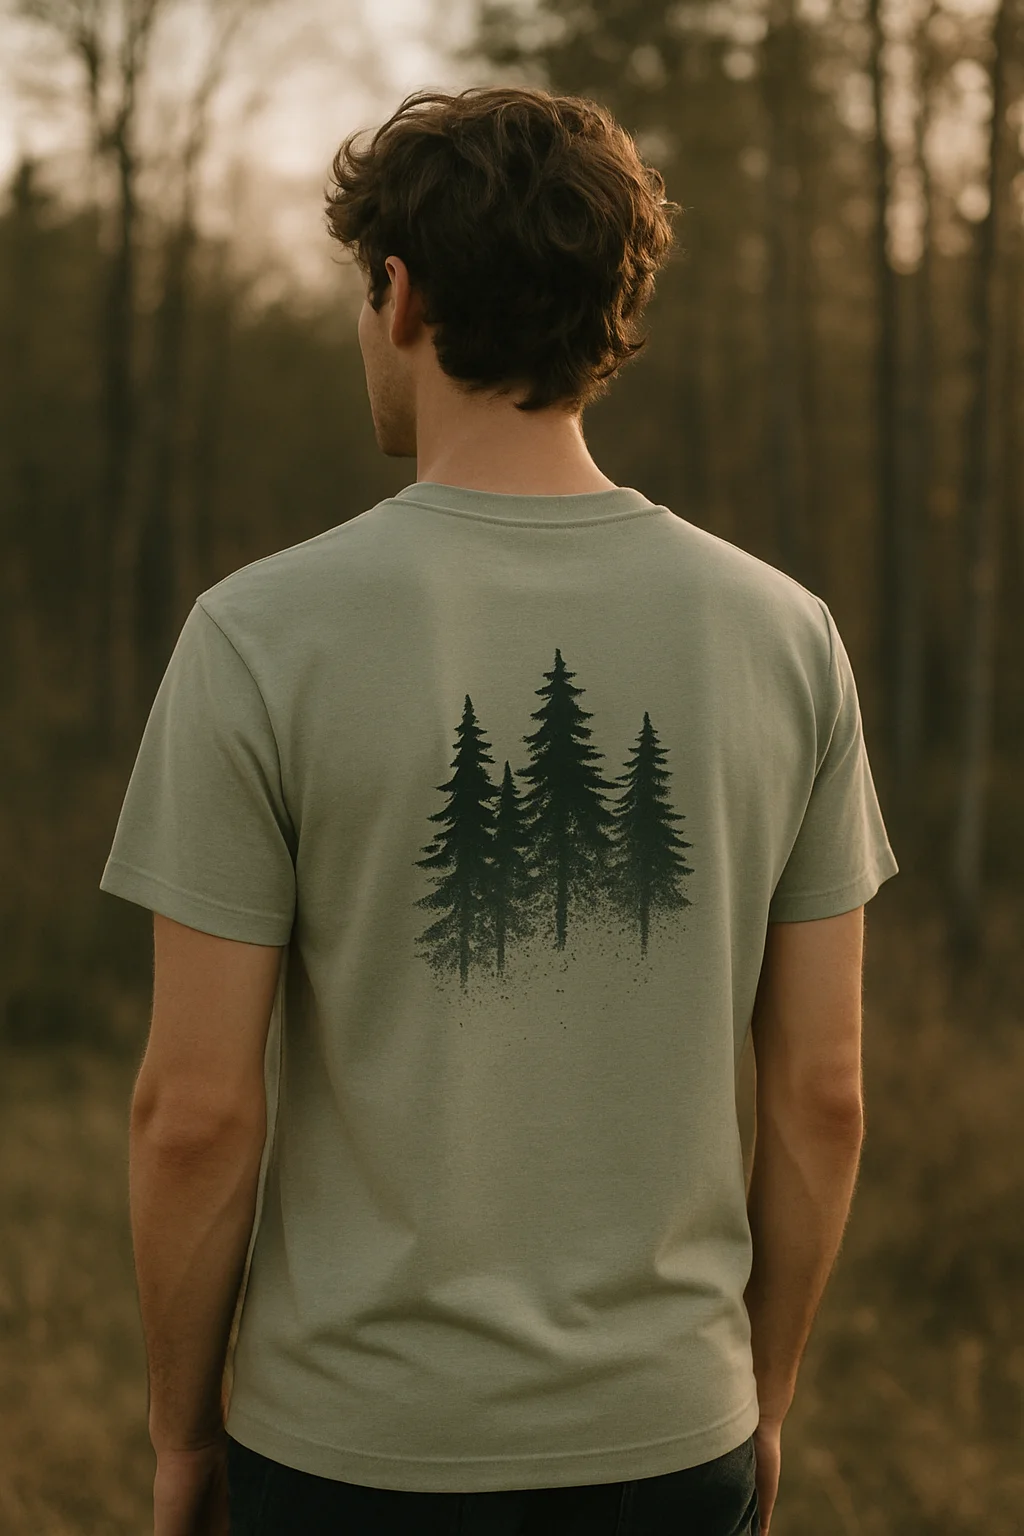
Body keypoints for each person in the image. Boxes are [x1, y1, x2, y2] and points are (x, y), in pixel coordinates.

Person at [100, 85, 898, 1536]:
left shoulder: (258, 636)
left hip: (343, 1447)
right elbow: (824, 1094)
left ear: (398, 298)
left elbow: (196, 1116)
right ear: (609, 312)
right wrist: (760, 1397)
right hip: (667, 1436)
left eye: (362, 294)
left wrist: (180, 1434)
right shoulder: (787, 636)